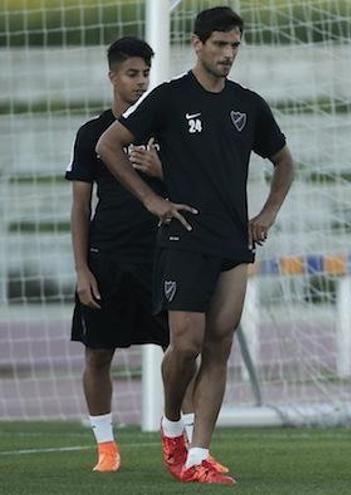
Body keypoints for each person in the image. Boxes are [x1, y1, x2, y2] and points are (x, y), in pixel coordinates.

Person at [96, 7, 295, 485]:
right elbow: (109, 144)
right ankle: (171, 426)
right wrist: (150, 200)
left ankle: (198, 454)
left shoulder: (248, 104)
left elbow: (284, 163)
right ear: (197, 43)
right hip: (183, 237)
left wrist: (265, 215)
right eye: (220, 45)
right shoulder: (167, 98)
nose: (228, 54)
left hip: (232, 242)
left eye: (235, 46)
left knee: (219, 346)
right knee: (185, 346)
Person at [65, 36, 207, 474]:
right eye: (132, 73)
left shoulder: (166, 130)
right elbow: (79, 206)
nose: (140, 81)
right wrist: (82, 268)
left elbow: (201, 188)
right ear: (113, 77)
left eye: (145, 73)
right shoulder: (92, 135)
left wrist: (163, 170)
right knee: (97, 353)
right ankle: (106, 447)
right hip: (108, 258)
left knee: (182, 353)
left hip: (164, 258)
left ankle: (183, 444)